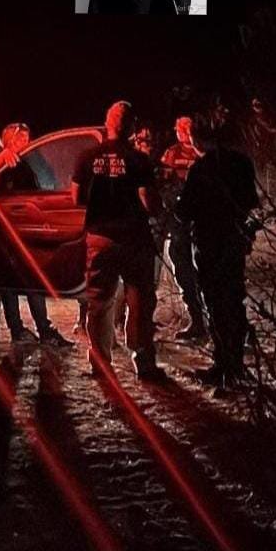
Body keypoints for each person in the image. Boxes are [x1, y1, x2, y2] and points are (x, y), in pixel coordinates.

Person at [71, 101, 165, 380]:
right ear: (132, 128)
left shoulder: (87, 157)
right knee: (139, 303)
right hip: (135, 239)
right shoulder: (139, 160)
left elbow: (76, 198)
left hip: (100, 238)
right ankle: (143, 362)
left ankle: (100, 364)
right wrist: (158, 208)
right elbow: (148, 200)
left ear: (107, 124)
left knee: (99, 303)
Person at [176, 116, 260, 389]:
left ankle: (224, 365)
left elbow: (183, 212)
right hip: (234, 240)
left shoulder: (200, 169)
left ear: (197, 139)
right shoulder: (241, 162)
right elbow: (252, 203)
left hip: (210, 243)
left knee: (215, 302)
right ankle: (235, 363)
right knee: (234, 299)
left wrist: (176, 202)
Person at [0, 123, 73, 348]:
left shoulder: (32, 160)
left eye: (27, 139)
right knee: (11, 282)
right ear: (8, 141)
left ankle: (44, 330)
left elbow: (49, 182)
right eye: (19, 140)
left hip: (28, 229)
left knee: (32, 280)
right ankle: (19, 330)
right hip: (7, 230)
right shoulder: (5, 161)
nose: (25, 144)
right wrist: (3, 156)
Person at [160, 116, 206, 339]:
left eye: (186, 129)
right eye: (179, 129)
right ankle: (196, 319)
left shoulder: (204, 153)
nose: (182, 133)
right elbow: (163, 180)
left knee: (204, 269)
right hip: (179, 219)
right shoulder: (171, 153)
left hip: (202, 219)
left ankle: (214, 322)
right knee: (181, 264)